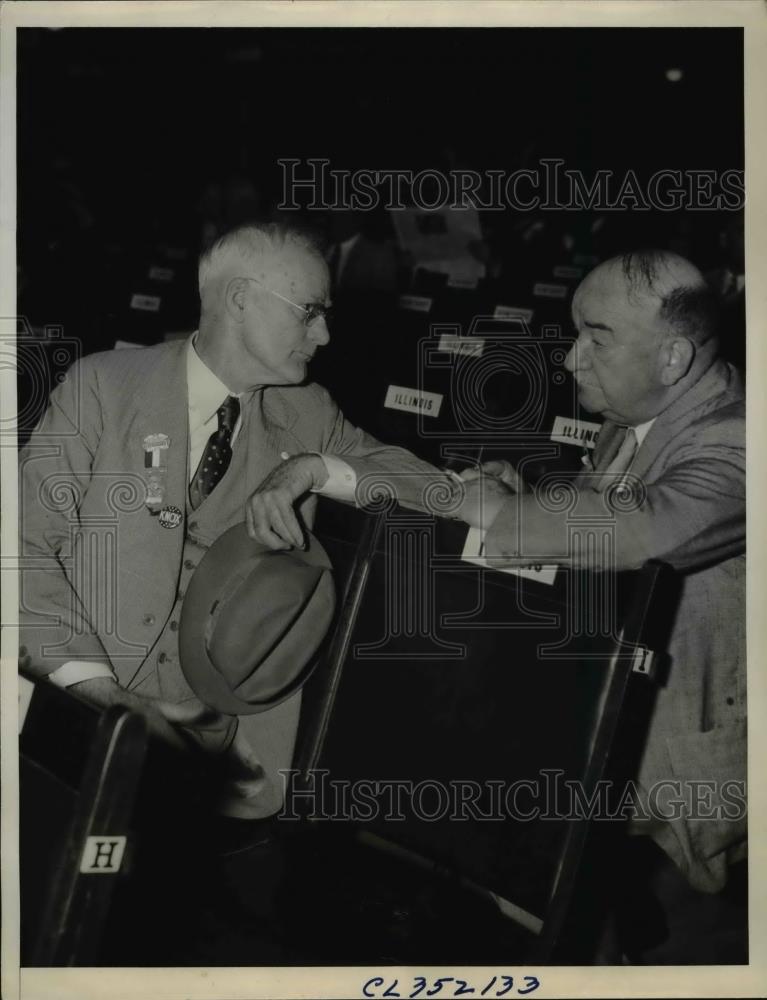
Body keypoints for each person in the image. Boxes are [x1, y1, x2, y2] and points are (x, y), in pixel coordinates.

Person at [18, 220, 445, 820]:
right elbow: (23, 549)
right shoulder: (101, 388)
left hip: (213, 758)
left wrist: (315, 469)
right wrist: (104, 697)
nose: (324, 334)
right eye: (310, 311)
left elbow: (432, 490)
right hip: (71, 721)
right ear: (241, 299)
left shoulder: (308, 413)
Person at [455, 249, 746, 957]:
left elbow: (644, 529)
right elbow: (601, 507)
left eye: (596, 337)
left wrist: (500, 514)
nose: (570, 361)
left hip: (686, 759)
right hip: (609, 710)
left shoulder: (742, 436)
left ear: (673, 357)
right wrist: (519, 492)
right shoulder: (635, 417)